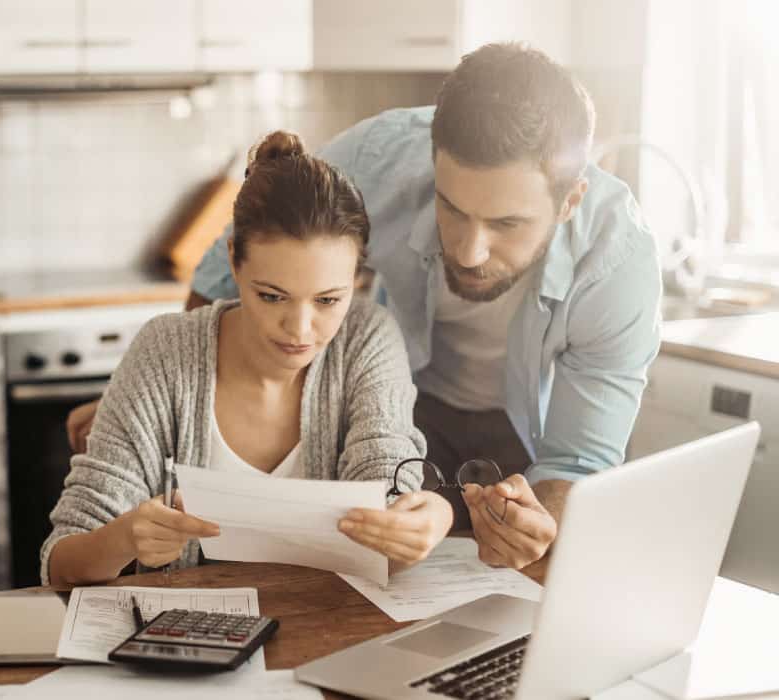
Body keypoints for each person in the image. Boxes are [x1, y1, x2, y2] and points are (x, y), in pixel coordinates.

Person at [67, 43, 662, 571]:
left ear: (569, 201)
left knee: (498, 581)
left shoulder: (618, 264)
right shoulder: (377, 158)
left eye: (506, 223)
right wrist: (157, 391)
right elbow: (234, 265)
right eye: (452, 208)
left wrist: (541, 525)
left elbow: (578, 459)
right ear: (432, 163)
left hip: (519, 440)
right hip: (396, 401)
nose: (469, 249)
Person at [42, 131, 454, 586]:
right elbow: (61, 566)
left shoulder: (366, 339)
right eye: (272, 296)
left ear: (356, 278)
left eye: (327, 300)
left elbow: (386, 499)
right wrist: (122, 540)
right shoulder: (165, 351)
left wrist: (423, 521)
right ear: (235, 263)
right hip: (188, 642)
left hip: (325, 633)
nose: (299, 329)